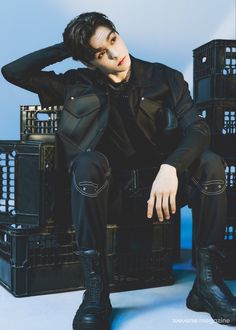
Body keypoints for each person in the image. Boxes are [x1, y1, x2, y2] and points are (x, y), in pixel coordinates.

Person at [2, 12, 236, 330]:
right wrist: (69, 47)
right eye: (100, 53)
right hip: (109, 195)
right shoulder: (75, 83)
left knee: (210, 163)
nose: (115, 54)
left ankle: (206, 285)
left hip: (161, 193)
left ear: (117, 33)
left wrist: (171, 167)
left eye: (113, 39)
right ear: (88, 61)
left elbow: (197, 129)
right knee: (86, 163)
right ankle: (97, 294)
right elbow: (12, 71)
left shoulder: (164, 78)